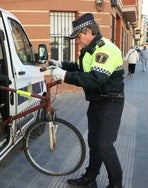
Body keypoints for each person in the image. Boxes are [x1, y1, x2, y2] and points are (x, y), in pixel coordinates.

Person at [49, 13, 124, 188]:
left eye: (79, 36)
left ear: (89, 31)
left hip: (111, 104)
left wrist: (64, 76)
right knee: (94, 144)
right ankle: (90, 178)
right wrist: (60, 64)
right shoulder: (89, 50)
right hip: (97, 103)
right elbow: (79, 67)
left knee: (105, 146)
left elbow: (94, 79)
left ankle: (116, 185)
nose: (77, 40)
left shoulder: (106, 49)